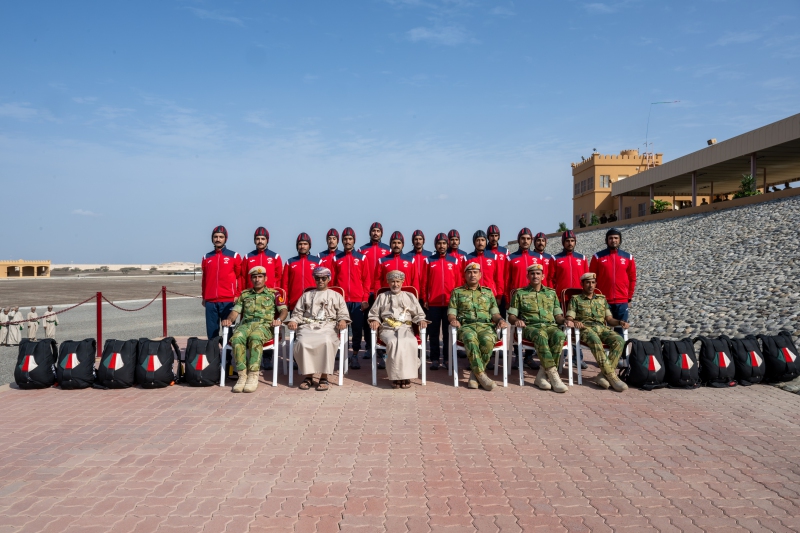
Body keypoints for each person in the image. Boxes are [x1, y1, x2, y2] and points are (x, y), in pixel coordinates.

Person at [221, 266, 288, 393]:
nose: (257, 279)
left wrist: (279, 320)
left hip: (265, 325)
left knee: (255, 338)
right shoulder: (245, 294)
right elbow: (235, 311)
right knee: (236, 338)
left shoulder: (274, 294)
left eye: (260, 277)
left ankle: (253, 375)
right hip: (246, 324)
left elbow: (283, 310)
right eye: (255, 277)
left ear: (265, 278)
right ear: (251, 279)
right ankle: (242, 376)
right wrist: (229, 320)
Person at [287, 267, 351, 392]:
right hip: (307, 326)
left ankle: (324, 376)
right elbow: (297, 313)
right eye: (317, 278)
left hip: (328, 326)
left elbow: (343, 313)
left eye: (323, 278)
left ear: (329, 279)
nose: (320, 281)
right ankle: (308, 376)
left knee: (326, 341)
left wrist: (343, 320)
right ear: (314, 279)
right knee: (302, 342)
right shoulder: (306, 296)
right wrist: (294, 320)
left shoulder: (336, 296)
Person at [448, 263, 508, 391]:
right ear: (465, 275)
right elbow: (451, 312)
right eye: (469, 272)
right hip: (466, 326)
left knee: (487, 340)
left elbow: (495, 313)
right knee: (470, 338)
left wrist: (501, 320)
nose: (472, 275)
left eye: (475, 272)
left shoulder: (488, 292)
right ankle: (481, 375)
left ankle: (474, 376)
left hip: (485, 325)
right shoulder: (457, 292)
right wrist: (453, 320)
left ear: (480, 275)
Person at [507, 264, 567, 393]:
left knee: (560, 335)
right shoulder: (520, 293)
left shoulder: (551, 293)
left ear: (543, 276)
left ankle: (541, 375)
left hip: (550, 326)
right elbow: (511, 316)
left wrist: (566, 321)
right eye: (532, 274)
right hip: (530, 327)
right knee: (541, 335)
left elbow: (558, 316)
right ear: (528, 276)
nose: (535, 276)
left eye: (538, 273)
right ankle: (554, 376)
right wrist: (517, 321)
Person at [564, 273, 629, 392]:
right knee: (595, 340)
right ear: (582, 284)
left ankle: (603, 375)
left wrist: (620, 322)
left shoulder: (601, 299)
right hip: (585, 328)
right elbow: (569, 318)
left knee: (619, 340)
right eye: (588, 282)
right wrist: (575, 321)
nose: (590, 285)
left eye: (593, 282)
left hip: (602, 328)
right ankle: (612, 377)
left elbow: (609, 319)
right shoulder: (576, 299)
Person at [368, 270, 429, 389]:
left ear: (402, 282)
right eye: (392, 282)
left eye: (397, 282)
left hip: (406, 328)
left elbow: (419, 314)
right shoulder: (382, 297)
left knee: (410, 342)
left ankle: (406, 376)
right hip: (388, 329)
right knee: (393, 342)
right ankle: (396, 376)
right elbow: (374, 314)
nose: (395, 284)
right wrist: (374, 320)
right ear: (388, 283)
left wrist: (421, 320)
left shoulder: (409, 296)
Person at [333, 227, 372, 370]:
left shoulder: (361, 258)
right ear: (342, 241)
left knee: (356, 330)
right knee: (341, 329)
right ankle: (342, 354)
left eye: (350, 239)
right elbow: (333, 282)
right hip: (341, 301)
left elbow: (366, 280)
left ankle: (355, 356)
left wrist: (365, 298)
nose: (347, 241)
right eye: (345, 239)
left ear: (354, 240)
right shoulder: (336, 259)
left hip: (357, 301)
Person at [424, 233, 462, 370]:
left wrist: (457, 301)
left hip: (449, 305)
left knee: (448, 333)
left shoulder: (455, 261)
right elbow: (424, 281)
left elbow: (458, 283)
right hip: (433, 303)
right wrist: (425, 298)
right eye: (439, 243)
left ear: (447, 244)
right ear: (435, 245)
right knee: (433, 333)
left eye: (444, 243)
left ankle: (447, 359)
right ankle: (434, 359)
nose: (442, 246)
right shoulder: (429, 261)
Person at [552, 230, 589, 369]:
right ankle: (562, 356)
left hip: (579, 300)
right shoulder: (556, 259)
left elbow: (587, 278)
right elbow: (551, 279)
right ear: (563, 242)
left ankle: (577, 358)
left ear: (575, 242)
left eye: (572, 241)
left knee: (577, 328)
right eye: (567, 241)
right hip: (562, 299)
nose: (570, 243)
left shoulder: (582, 258)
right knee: (563, 327)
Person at [590, 228, 636, 337]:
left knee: (621, 331)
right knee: (603, 331)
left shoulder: (628, 257)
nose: (613, 240)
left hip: (622, 300)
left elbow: (632, 279)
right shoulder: (597, 257)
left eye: (616, 238)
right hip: (603, 300)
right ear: (606, 240)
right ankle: (604, 354)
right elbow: (592, 279)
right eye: (610, 238)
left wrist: (628, 297)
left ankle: (622, 354)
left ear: (620, 240)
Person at [201, 226, 242, 340]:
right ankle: (214, 355)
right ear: (212, 238)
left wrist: (237, 295)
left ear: (225, 239)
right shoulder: (206, 257)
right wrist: (204, 296)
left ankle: (227, 357)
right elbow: (205, 278)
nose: (218, 239)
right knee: (212, 331)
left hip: (228, 300)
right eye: (215, 237)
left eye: (221, 237)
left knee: (227, 331)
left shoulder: (234, 256)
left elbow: (240, 277)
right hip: (210, 301)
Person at [358, 222, 391, 357]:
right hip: (368, 291)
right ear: (370, 233)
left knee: (383, 319)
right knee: (368, 320)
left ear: (381, 233)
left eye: (378, 231)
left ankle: (382, 347)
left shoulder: (388, 250)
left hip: (383, 292)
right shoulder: (362, 250)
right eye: (373, 231)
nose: (375, 233)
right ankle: (369, 347)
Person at [282, 233, 321, 312]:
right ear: (297, 246)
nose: (302, 246)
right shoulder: (290, 262)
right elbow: (285, 284)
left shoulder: (318, 262)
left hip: (313, 303)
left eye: (305, 244)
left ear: (309, 245)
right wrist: (285, 303)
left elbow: (323, 282)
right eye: (300, 244)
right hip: (295, 303)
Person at [410, 229, 430, 299]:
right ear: (413, 241)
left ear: (423, 240)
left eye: (420, 239)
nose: (418, 241)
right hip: (413, 292)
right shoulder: (407, 257)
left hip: (426, 293)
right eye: (416, 239)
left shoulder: (430, 256)